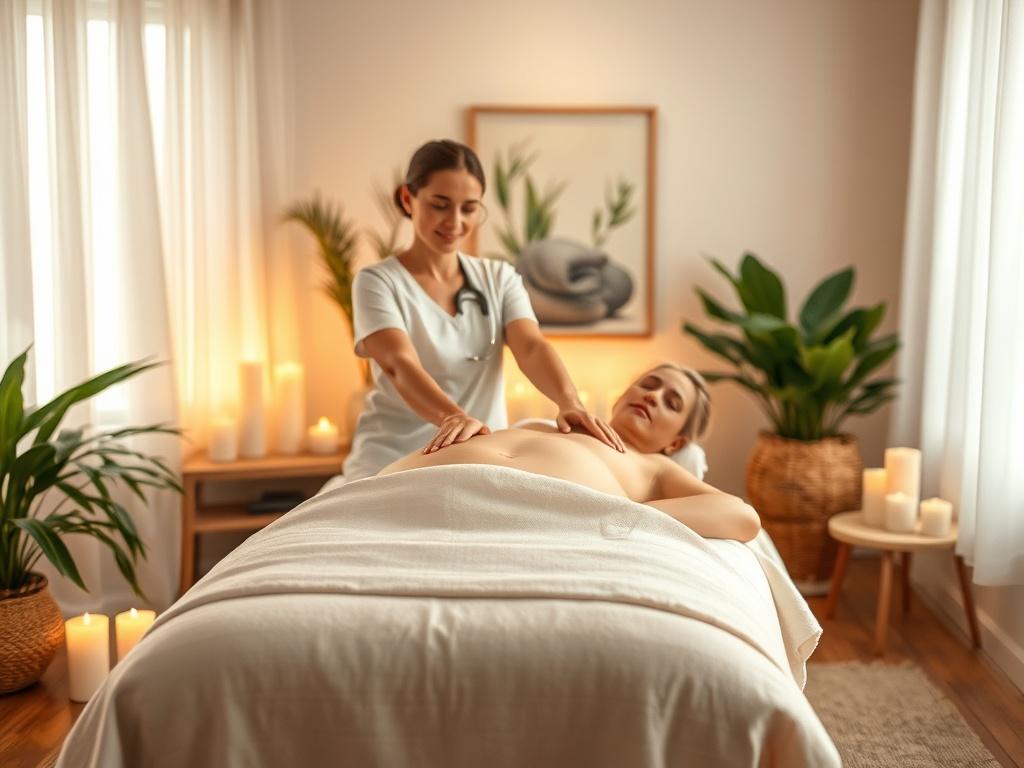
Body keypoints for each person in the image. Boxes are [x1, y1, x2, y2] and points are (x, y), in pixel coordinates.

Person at [343, 139, 623, 481]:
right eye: (440, 205)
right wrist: (451, 417)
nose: (454, 221)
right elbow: (399, 364)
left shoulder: (499, 278)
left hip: (476, 460)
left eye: (469, 208)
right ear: (407, 199)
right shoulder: (376, 281)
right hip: (391, 458)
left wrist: (570, 403)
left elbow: (531, 347)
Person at [380, 364, 761, 542]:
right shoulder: (550, 425)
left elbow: (741, 516)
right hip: (407, 491)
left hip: (514, 517)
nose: (652, 396)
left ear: (676, 443)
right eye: (649, 384)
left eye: (671, 402)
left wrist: (624, 515)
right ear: (623, 395)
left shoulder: (655, 467)